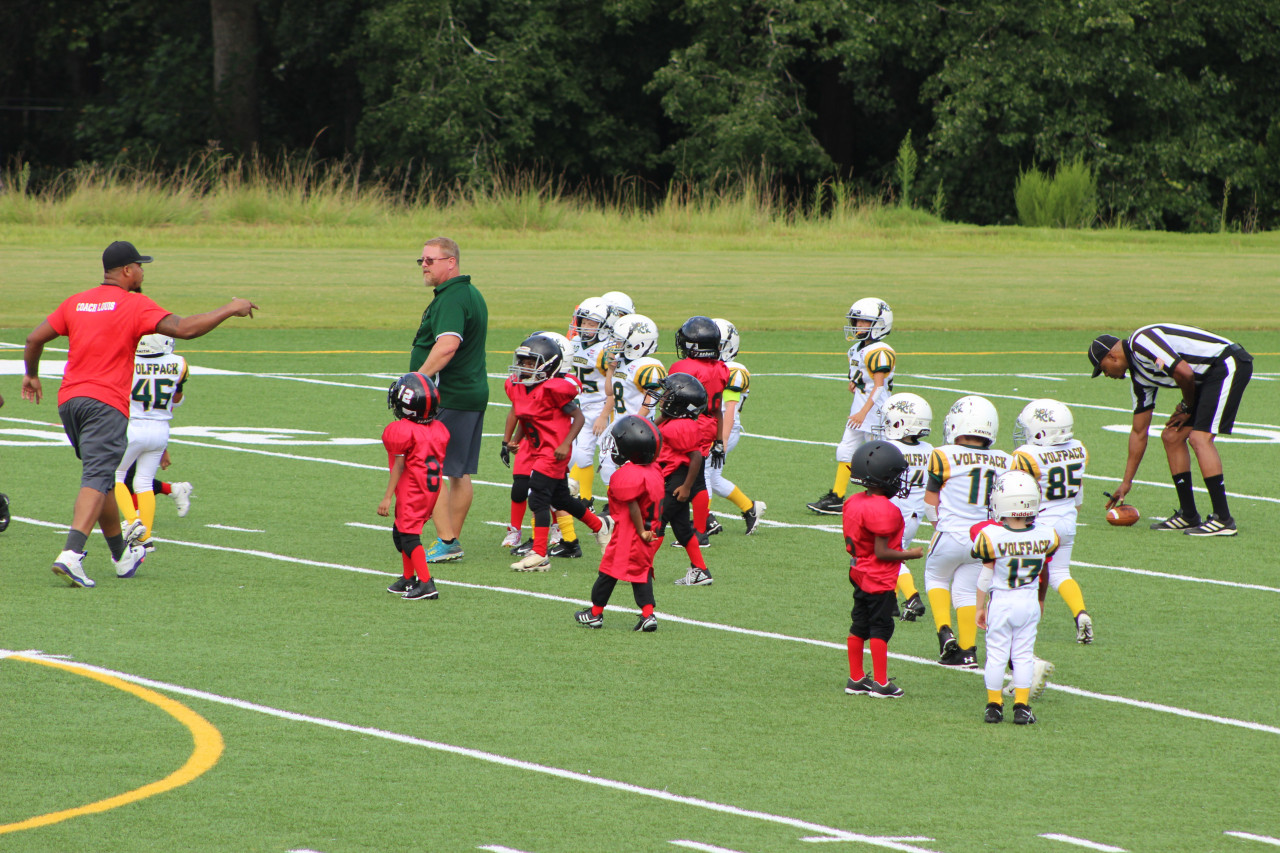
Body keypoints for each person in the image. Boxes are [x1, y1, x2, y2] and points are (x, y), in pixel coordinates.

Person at [22, 240, 257, 588]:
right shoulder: (133, 304)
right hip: (105, 404)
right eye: (141, 266)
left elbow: (34, 338)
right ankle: (71, 554)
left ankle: (121, 555)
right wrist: (230, 307)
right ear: (128, 270)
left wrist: (31, 374)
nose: (143, 272)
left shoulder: (76, 301)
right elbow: (185, 328)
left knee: (100, 478)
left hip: (70, 401)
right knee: (97, 479)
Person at [1089, 325, 1253, 536]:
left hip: (1225, 364)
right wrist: (1126, 482)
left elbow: (1184, 372)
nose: (1106, 374)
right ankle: (1189, 514)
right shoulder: (1139, 379)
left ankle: (1223, 519)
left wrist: (1186, 407)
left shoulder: (1141, 341)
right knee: (1171, 436)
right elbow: (1139, 432)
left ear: (1112, 356)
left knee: (1199, 438)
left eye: (1102, 369)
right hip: (1204, 378)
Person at [502, 335, 612, 572]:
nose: (523, 366)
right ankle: (601, 526)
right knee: (561, 499)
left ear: (548, 365)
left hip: (554, 451)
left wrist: (565, 443)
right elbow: (526, 417)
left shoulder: (553, 390)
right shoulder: (520, 387)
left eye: (530, 363)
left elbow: (579, 417)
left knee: (538, 498)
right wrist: (515, 440)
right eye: (522, 361)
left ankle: (540, 553)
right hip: (537, 449)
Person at [409, 237, 489, 562]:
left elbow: (446, 346)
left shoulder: (453, 298)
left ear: (451, 262)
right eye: (422, 260)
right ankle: (449, 541)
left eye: (431, 260)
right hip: (468, 392)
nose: (424, 265)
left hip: (450, 394)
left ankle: (446, 538)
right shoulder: (468, 293)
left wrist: (418, 380)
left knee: (429, 466)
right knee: (458, 471)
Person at [923, 395, 1011, 667]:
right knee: (966, 591)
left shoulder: (942, 454)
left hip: (950, 532)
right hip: (983, 538)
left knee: (935, 577)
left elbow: (930, 502)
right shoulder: (1006, 460)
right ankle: (969, 650)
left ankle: (944, 631)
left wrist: (939, 526)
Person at [974, 470, 1060, 725]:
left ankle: (994, 705)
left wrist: (980, 607)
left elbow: (984, 578)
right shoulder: (1047, 534)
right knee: (1023, 655)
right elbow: (1045, 565)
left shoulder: (991, 536)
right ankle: (1021, 706)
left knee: (996, 655)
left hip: (1001, 600)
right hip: (1029, 600)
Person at [842, 440, 924, 699]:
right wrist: (910, 553)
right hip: (877, 576)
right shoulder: (885, 510)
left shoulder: (854, 501)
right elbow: (882, 552)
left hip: (858, 571)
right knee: (880, 627)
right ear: (883, 476)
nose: (899, 481)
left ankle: (855, 678)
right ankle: (881, 683)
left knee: (859, 624)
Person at [1011, 399, 1094, 643]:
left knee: (1029, 578)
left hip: (1041, 522)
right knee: (1060, 572)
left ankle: (1026, 626)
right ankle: (1080, 612)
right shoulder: (1078, 448)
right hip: (1067, 519)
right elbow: (1078, 492)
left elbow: (1017, 491)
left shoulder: (1027, 455)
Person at [574, 416, 665, 631]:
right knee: (641, 572)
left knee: (608, 572)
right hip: (652, 531)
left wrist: (641, 530)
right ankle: (647, 614)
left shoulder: (628, 475)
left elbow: (632, 504)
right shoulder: (655, 471)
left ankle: (595, 613)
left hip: (633, 533)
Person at [808, 298, 895, 515]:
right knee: (845, 449)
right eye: (857, 321)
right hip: (859, 408)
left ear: (879, 324)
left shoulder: (880, 351)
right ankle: (837, 496)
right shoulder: (856, 349)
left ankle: (885, 498)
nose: (858, 326)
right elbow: (863, 378)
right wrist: (855, 384)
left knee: (879, 456)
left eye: (864, 322)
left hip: (875, 411)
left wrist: (863, 412)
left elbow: (879, 387)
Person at [110, 333, 188, 558]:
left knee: (116, 476)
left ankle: (133, 522)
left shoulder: (128, 361)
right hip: (161, 428)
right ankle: (145, 538)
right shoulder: (180, 363)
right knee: (143, 481)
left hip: (133, 426)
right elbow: (177, 399)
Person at [669, 315, 741, 546]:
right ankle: (699, 532)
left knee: (671, 478)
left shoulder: (682, 367)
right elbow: (717, 409)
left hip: (685, 427)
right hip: (709, 427)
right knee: (698, 480)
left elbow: (670, 404)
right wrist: (719, 440)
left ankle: (660, 526)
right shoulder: (721, 368)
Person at [379, 372, 451, 600]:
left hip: (413, 490)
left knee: (408, 538)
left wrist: (387, 497)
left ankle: (427, 583)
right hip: (428, 488)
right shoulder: (438, 429)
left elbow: (399, 466)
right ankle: (408, 578)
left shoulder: (402, 430)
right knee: (401, 533)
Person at [649, 373, 717, 586]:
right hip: (671, 476)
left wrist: (686, 487)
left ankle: (641, 568)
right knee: (682, 529)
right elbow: (651, 428)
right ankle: (701, 571)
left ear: (680, 402)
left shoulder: (682, 426)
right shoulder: (673, 418)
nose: (663, 397)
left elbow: (696, 456)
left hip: (677, 479)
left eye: (668, 394)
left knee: (656, 524)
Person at [701, 318, 766, 536]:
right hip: (713, 427)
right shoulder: (713, 366)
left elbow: (729, 410)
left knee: (702, 473)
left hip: (724, 428)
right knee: (713, 477)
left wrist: (722, 440)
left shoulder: (734, 370)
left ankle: (703, 522)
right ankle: (750, 508)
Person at [877, 392, 933, 621]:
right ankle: (891, 603)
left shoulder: (891, 449)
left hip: (893, 510)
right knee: (895, 555)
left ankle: (912, 596)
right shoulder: (930, 449)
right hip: (915, 513)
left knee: (889, 556)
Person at [597, 314, 666, 490]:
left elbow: (649, 401)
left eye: (620, 341)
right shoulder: (620, 363)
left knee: (630, 473)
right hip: (618, 425)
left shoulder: (647, 365)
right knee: (608, 468)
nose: (615, 344)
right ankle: (616, 505)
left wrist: (632, 425)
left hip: (637, 430)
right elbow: (609, 392)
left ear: (637, 344)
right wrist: (611, 371)